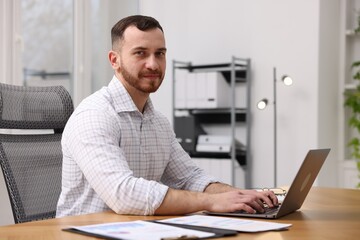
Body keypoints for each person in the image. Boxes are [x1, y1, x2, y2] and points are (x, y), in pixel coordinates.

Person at [56, 15, 278, 217]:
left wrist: (240, 195)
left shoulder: (158, 123)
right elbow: (123, 194)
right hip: (83, 233)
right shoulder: (94, 115)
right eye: (140, 53)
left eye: (159, 54)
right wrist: (212, 202)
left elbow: (189, 178)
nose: (153, 64)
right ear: (115, 60)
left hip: (136, 230)